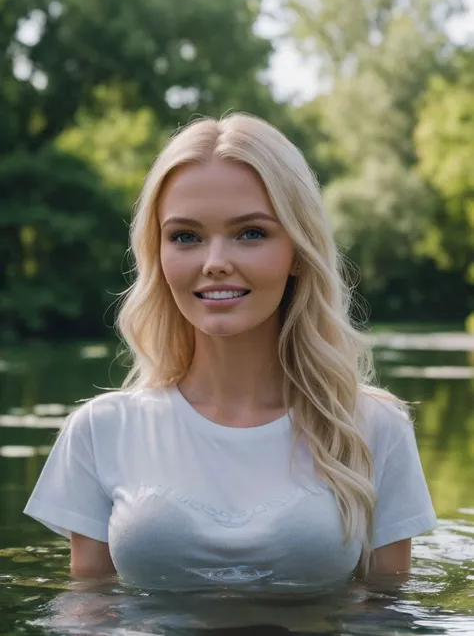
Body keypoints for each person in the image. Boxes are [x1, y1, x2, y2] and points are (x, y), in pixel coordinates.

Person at [24, 113, 437, 594]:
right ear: (157, 253)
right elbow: (88, 614)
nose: (216, 262)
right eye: (185, 237)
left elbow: (389, 615)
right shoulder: (100, 430)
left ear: (299, 253)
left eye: (251, 233)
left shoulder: (374, 427)